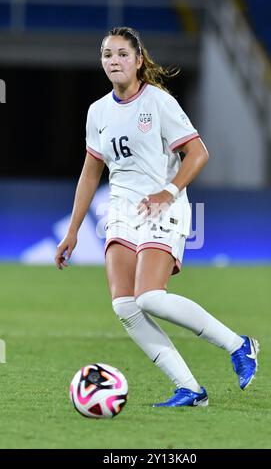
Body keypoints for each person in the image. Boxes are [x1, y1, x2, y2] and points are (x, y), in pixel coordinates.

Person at [55, 27, 259, 407]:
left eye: (121, 54)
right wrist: (73, 231)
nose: (113, 61)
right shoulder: (97, 111)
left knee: (149, 297)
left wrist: (168, 191)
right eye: (107, 54)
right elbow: (89, 173)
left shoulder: (159, 103)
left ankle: (239, 345)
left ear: (137, 60)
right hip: (120, 210)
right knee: (124, 306)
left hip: (165, 205)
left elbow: (198, 154)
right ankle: (190, 389)